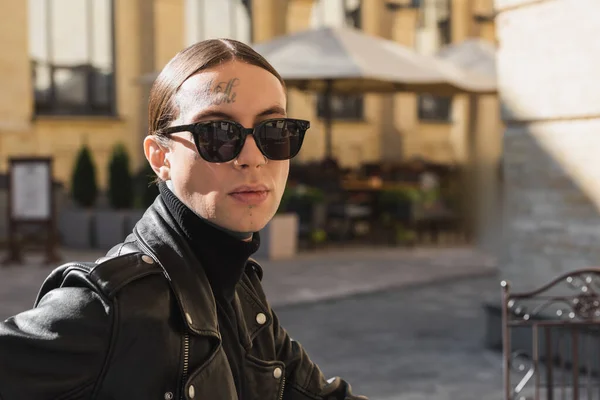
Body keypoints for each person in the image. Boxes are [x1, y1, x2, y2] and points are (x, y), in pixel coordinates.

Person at [0, 39, 368, 400]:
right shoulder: (113, 305)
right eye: (218, 134)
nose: (253, 158)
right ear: (160, 157)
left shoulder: (238, 285)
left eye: (274, 132)